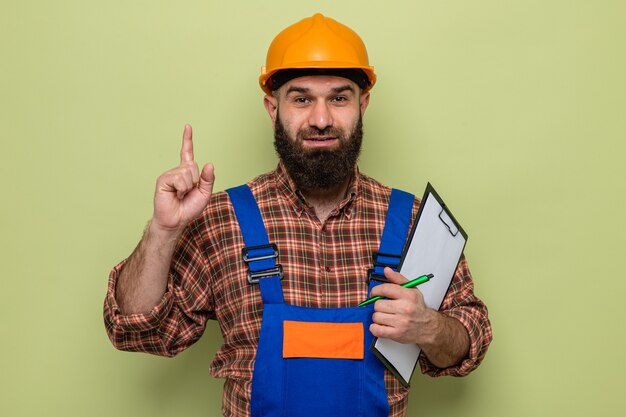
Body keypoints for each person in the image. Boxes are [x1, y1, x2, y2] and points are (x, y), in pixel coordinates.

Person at [103, 13, 492, 417]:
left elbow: (472, 339)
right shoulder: (222, 219)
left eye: (339, 98)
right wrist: (163, 230)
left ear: (364, 104)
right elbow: (137, 331)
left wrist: (428, 326)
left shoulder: (411, 220)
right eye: (301, 99)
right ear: (273, 108)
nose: (321, 119)